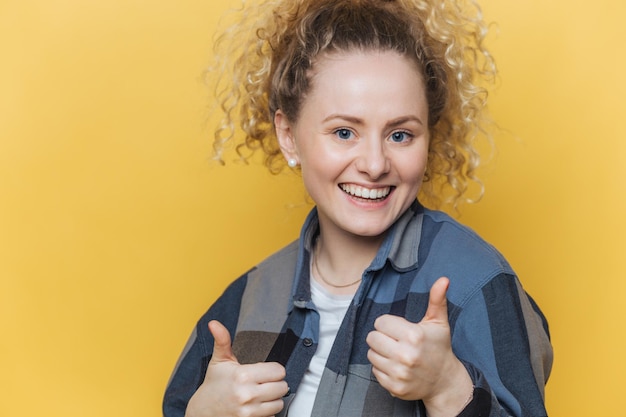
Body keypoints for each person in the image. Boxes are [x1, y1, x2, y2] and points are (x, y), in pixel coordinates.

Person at [163, 0, 553, 416]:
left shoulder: (474, 283)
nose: (374, 164)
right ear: (289, 136)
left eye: (400, 135)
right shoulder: (248, 297)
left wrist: (447, 389)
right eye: (345, 132)